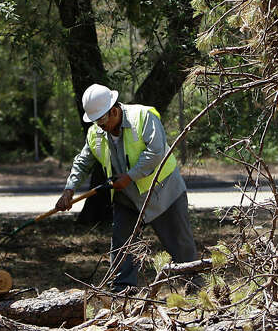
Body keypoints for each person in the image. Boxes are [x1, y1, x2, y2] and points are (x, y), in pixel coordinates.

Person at [56, 83, 198, 292]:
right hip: (127, 197)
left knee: (180, 244)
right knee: (122, 245)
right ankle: (122, 291)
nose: (100, 125)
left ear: (114, 110)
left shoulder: (143, 117)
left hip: (163, 191)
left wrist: (130, 177)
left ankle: (195, 288)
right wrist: (69, 189)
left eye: (102, 119)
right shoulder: (96, 132)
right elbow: (82, 161)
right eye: (95, 121)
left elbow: (156, 152)